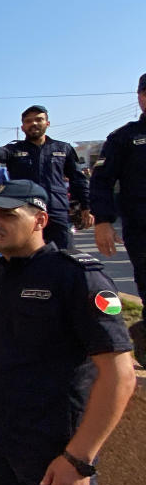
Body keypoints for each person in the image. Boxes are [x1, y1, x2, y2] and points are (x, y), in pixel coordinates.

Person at [0, 180, 136, 485]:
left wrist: (79, 459)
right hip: (3, 439)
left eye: (8, 215)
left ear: (40, 220)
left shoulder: (77, 277)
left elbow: (120, 375)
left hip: (56, 449)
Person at [90, 72, 146, 368]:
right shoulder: (124, 138)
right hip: (142, 228)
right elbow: (101, 180)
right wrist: (103, 220)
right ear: (141, 97)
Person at [0, 105, 91, 249]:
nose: (34, 123)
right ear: (23, 127)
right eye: (28, 121)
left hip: (57, 212)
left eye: (39, 119)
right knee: (26, 258)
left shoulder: (63, 149)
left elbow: (78, 179)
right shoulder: (15, 149)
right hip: (25, 213)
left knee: (64, 257)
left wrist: (86, 206)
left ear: (47, 123)